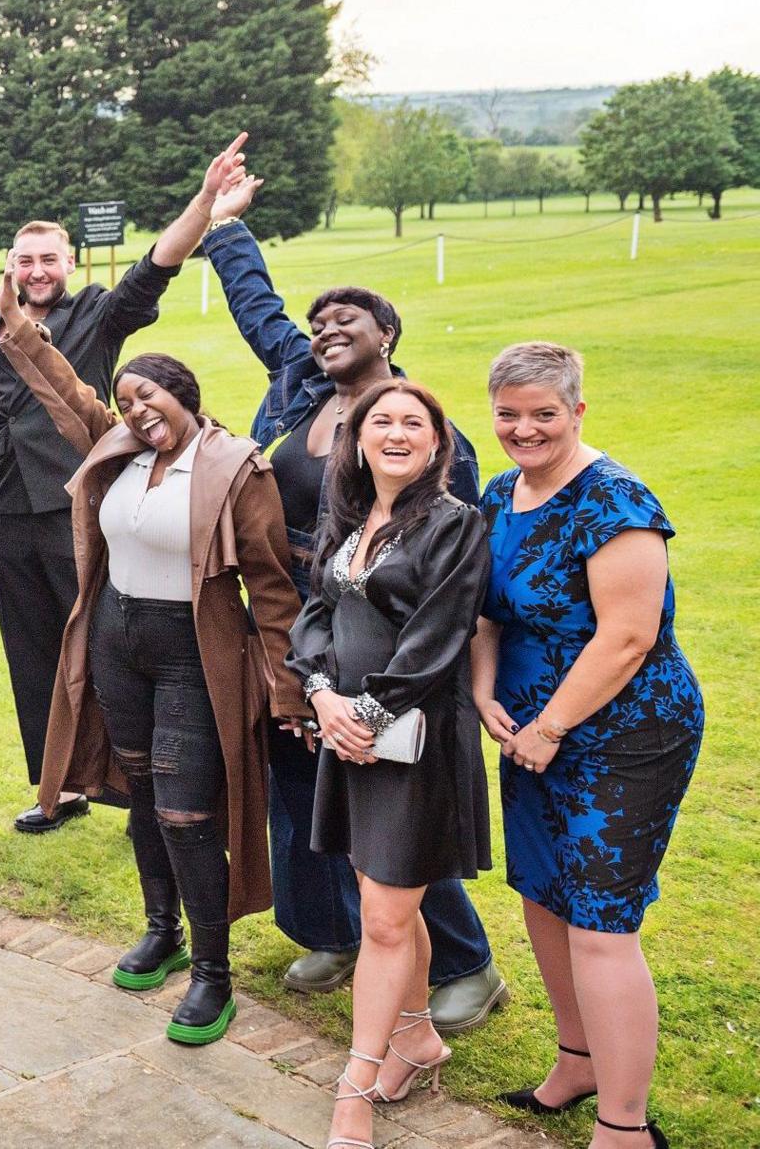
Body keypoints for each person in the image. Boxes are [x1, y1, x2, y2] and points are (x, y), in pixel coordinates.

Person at [198, 170, 508, 1031]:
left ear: (388, 335)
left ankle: (466, 964)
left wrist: (376, 681)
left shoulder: (422, 430)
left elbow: (453, 564)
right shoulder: (300, 391)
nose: (327, 330)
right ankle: (333, 930)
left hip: (382, 646)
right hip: (293, 628)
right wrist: (225, 230)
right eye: (319, 324)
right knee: (303, 789)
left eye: (349, 321)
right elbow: (261, 310)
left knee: (391, 812)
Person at [0, 273, 302, 1049]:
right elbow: (64, 389)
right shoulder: (116, 446)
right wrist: (20, 328)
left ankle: (213, 973)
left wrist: (290, 690)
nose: (135, 411)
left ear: (183, 394)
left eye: (148, 397)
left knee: (188, 812)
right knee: (140, 794)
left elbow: (271, 584)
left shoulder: (236, 467)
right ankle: (163, 931)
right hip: (118, 643)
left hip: (193, 653)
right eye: (125, 401)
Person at [0, 138, 232, 835]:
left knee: (103, 651)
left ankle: (131, 779)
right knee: (33, 658)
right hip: (10, 511)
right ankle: (61, 788)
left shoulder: (98, 315)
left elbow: (158, 264)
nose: (38, 270)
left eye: (50, 259)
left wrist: (204, 201)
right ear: (10, 268)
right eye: (25, 260)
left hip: (83, 511)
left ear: (69, 264)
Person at [475, 343, 700, 1149]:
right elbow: (488, 610)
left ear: (578, 410)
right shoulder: (501, 492)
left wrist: (549, 726)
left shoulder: (616, 500)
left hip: (626, 732)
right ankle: (578, 1061)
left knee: (602, 925)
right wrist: (482, 690)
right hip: (530, 730)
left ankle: (625, 1125)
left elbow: (630, 635)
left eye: (544, 413)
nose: (524, 428)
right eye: (509, 413)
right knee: (542, 896)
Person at [280, 383, 492, 1149]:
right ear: (359, 438)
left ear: (437, 443)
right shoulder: (349, 519)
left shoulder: (456, 524)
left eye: (414, 422)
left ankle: (354, 1088)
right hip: (350, 735)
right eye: (382, 421)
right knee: (386, 907)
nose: (396, 432)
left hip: (416, 746)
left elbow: (439, 638)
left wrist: (365, 714)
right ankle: (416, 1038)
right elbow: (315, 613)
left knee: (384, 917)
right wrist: (321, 694)